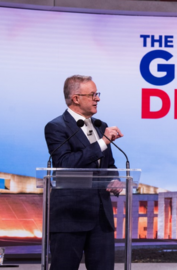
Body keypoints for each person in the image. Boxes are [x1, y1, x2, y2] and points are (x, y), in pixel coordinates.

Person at [44, 75, 124, 270]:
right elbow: (64, 163)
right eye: (93, 95)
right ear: (76, 98)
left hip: (101, 218)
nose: (97, 99)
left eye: (97, 94)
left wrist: (115, 180)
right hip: (70, 216)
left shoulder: (100, 125)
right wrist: (103, 142)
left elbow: (109, 165)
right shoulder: (56, 127)